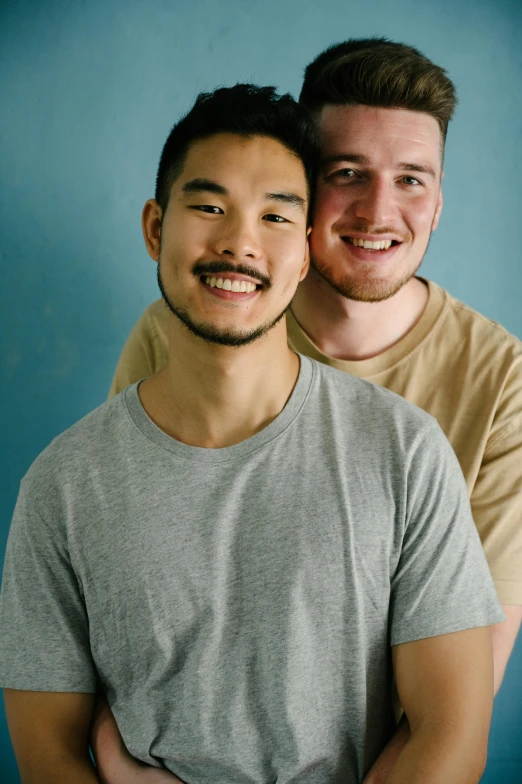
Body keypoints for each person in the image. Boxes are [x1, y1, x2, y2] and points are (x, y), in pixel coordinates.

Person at [0, 84, 503, 784]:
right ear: (154, 227)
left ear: (303, 253)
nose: (238, 243)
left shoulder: (406, 452)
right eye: (209, 207)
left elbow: (452, 740)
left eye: (274, 216)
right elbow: (47, 754)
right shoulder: (62, 485)